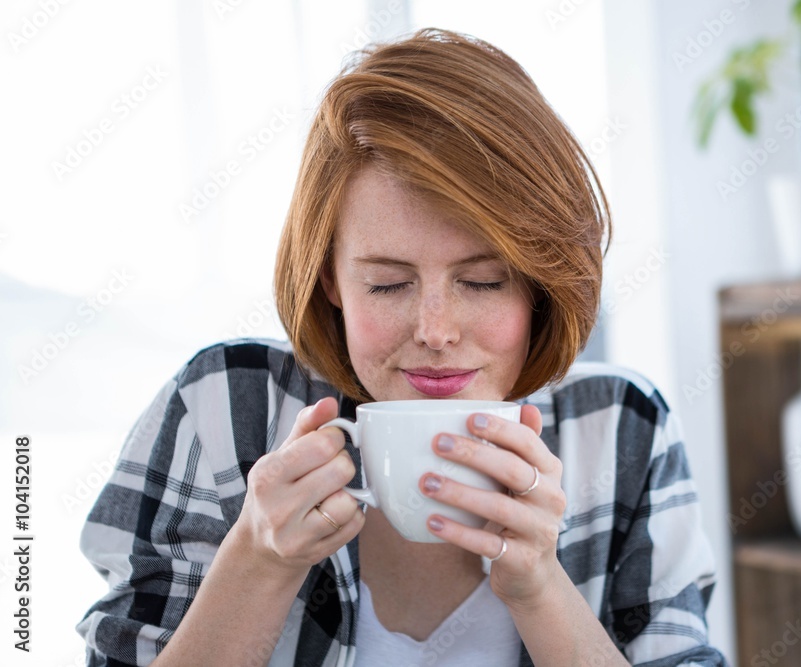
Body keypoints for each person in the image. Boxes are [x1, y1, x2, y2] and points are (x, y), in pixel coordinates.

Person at [77, 28, 727, 667]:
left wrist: (539, 587)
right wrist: (259, 559)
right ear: (330, 277)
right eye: (388, 283)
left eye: (481, 280)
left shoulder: (622, 431)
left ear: (538, 281)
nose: (436, 330)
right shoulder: (222, 407)